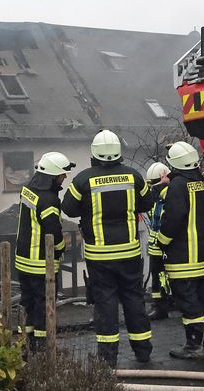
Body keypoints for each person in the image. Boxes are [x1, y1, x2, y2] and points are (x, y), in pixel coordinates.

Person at [61, 130, 154, 367]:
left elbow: (69, 209)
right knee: (134, 299)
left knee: (106, 303)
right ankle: (143, 351)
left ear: (94, 153)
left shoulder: (83, 180)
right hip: (131, 252)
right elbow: (147, 202)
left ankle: (107, 358)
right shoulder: (134, 176)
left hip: (99, 256)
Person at [156, 141, 204, 360]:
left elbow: (173, 219)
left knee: (188, 302)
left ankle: (193, 346)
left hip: (183, 257)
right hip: (201, 255)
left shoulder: (178, 186)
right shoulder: (203, 182)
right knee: (201, 300)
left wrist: (162, 241)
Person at [15, 151, 75, 353]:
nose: (65, 177)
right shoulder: (49, 199)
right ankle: (42, 348)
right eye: (62, 174)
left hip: (23, 260)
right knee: (43, 305)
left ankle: (26, 343)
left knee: (28, 304)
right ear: (52, 176)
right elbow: (53, 232)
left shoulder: (27, 190)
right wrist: (61, 249)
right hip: (41, 263)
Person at [144, 162, 171, 320]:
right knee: (158, 276)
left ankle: (161, 306)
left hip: (164, 243)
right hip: (157, 244)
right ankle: (160, 305)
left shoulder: (167, 193)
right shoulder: (156, 194)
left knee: (162, 276)